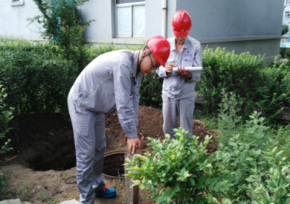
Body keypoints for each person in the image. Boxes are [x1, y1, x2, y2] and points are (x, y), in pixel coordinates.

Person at [67, 35, 170, 204]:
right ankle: (86, 199)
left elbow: (133, 99)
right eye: (154, 65)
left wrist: (132, 131)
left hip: (97, 106)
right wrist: (130, 134)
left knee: (100, 148)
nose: (153, 70)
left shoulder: (138, 69)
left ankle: (98, 186)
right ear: (145, 52)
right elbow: (122, 102)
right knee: (86, 153)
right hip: (82, 102)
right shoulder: (123, 63)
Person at [156, 10, 202, 139]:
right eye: (178, 35)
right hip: (168, 94)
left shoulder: (195, 46)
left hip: (186, 95)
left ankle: (185, 156)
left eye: (183, 35)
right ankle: (171, 155)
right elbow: (157, 67)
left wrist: (188, 75)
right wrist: (165, 69)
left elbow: (197, 73)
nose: (180, 38)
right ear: (173, 30)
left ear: (188, 30)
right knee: (168, 129)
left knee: (186, 130)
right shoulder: (165, 44)